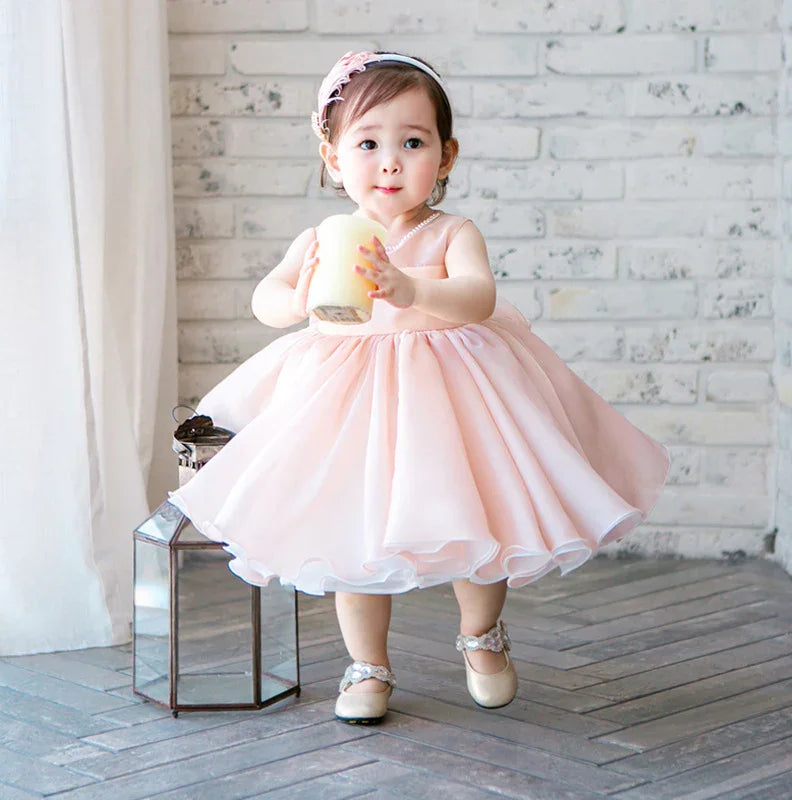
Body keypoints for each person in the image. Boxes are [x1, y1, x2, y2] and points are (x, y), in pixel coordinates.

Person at [167, 50, 671, 725]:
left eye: (412, 142)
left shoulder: (451, 231)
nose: (390, 162)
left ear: (446, 155)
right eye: (368, 144)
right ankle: (368, 665)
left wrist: (407, 288)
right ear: (332, 158)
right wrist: (296, 302)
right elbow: (269, 294)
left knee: (481, 513)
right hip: (347, 399)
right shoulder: (325, 237)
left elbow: (476, 298)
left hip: (452, 393)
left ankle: (481, 637)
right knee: (353, 533)